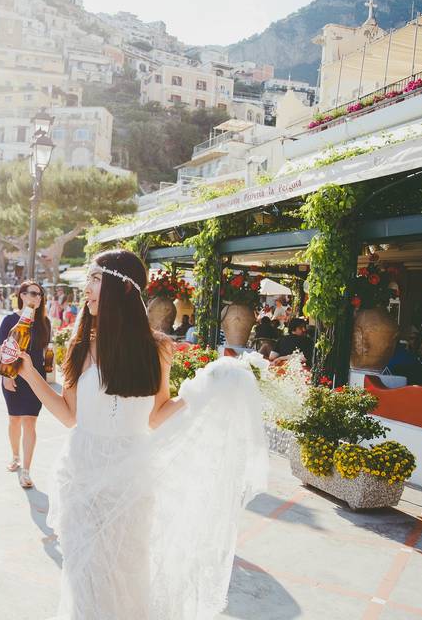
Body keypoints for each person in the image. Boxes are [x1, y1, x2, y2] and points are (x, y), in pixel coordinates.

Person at [14, 249, 269, 618]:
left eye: (95, 279)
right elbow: (69, 416)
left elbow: (157, 415)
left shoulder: (158, 348)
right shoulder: (81, 343)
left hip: (131, 480)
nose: (86, 289)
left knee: (126, 573)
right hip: (82, 475)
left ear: (122, 287)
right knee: (85, 575)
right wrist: (28, 373)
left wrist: (204, 391)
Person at [0, 280, 51, 489]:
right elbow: (3, 351)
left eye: (40, 295)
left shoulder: (44, 323)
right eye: (32, 293)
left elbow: (45, 350)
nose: (36, 298)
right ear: (21, 295)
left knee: (30, 421)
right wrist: (6, 376)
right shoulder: (9, 321)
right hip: (13, 375)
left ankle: (26, 471)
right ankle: (15, 456)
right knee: (14, 420)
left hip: (36, 378)